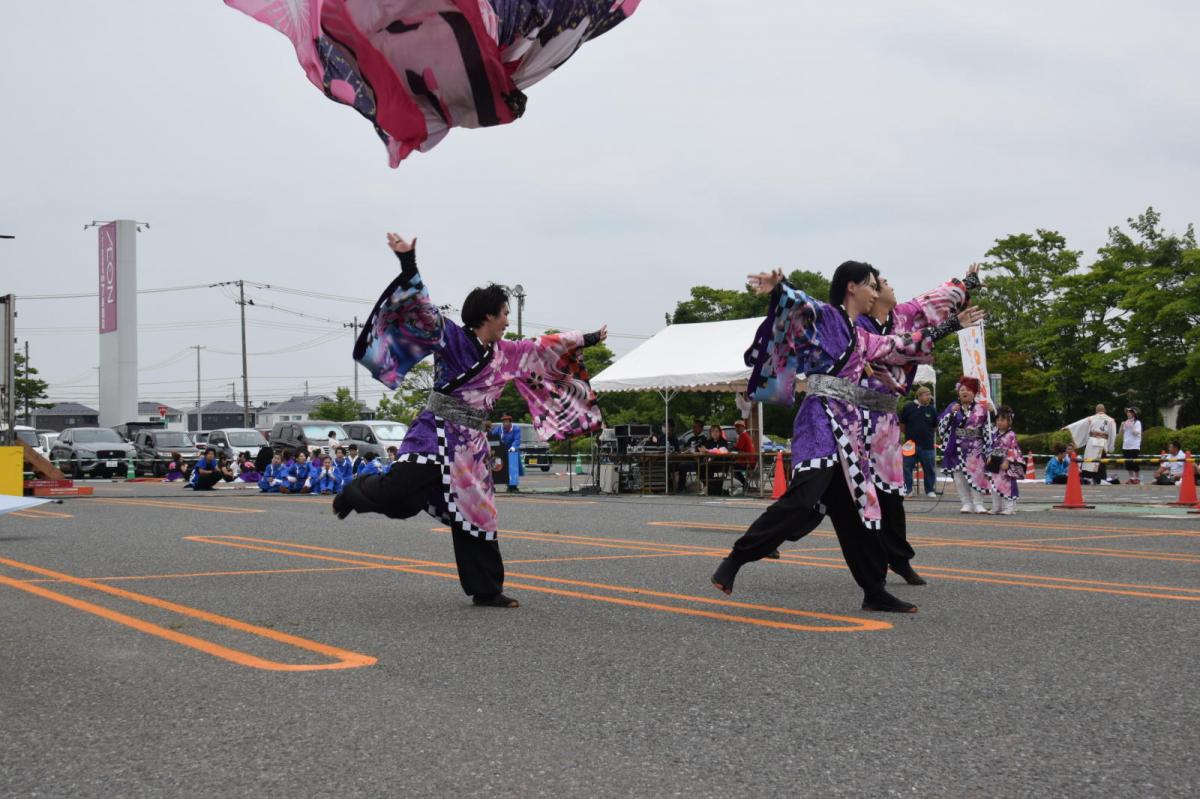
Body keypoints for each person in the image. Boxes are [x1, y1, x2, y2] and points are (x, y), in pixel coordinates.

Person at [335, 231, 605, 608]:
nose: (509, 320)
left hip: (471, 446)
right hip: (436, 431)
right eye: (505, 313)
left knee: (476, 513)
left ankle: (487, 589)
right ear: (488, 315)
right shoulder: (449, 337)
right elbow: (422, 309)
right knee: (401, 494)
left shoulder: (506, 352)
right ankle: (357, 489)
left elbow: (543, 348)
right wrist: (408, 262)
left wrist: (587, 338)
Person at [710, 261, 976, 613]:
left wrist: (950, 325)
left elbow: (899, 345)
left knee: (859, 512)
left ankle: (874, 590)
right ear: (852, 287)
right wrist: (780, 287)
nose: (875, 293)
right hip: (819, 420)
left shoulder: (861, 334)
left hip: (849, 430)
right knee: (803, 499)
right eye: (870, 286)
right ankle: (736, 558)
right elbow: (802, 305)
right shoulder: (829, 316)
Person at [859, 266, 979, 585]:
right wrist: (948, 327)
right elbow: (895, 349)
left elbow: (932, 300)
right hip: (850, 419)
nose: (887, 284)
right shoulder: (858, 326)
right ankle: (761, 544)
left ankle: (898, 558)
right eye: (881, 283)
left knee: (892, 494)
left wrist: (964, 285)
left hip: (883, 422)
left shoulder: (903, 314)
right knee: (824, 496)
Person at [939, 377, 993, 514]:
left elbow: (988, 430)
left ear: (974, 393)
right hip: (956, 448)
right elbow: (941, 427)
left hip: (975, 448)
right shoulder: (953, 407)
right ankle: (966, 503)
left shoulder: (982, 408)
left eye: (968, 390)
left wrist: (989, 450)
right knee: (959, 477)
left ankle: (979, 503)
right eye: (962, 390)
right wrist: (951, 414)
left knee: (977, 475)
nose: (965, 392)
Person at [900, 386, 939, 497]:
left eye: (930, 394)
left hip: (927, 445)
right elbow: (902, 425)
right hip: (910, 444)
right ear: (920, 395)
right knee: (907, 468)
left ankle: (930, 490)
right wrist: (910, 435)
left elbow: (934, 427)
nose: (929, 397)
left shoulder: (932, 409)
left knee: (929, 468)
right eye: (927, 394)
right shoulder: (908, 407)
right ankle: (908, 490)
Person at [1065, 404, 1117, 485]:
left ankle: (1089, 478)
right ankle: (1100, 478)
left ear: (1096, 411)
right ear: (1105, 410)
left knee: (1089, 461)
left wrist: (1068, 427)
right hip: (1102, 443)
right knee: (1101, 462)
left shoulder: (1091, 418)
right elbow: (1113, 435)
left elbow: (1079, 424)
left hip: (1091, 442)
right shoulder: (1111, 420)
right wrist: (1111, 447)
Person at [987, 406, 1023, 515]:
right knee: (994, 484)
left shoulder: (1011, 435)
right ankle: (996, 506)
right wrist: (989, 456)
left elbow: (1013, 449)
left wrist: (1008, 460)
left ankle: (1010, 507)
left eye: (1002, 420)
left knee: (1007, 485)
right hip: (995, 460)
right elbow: (991, 446)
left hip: (1006, 461)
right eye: (998, 420)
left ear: (1009, 421)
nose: (999, 422)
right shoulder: (994, 434)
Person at [492, 414, 523, 493]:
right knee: (497, 467)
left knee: (513, 468)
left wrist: (513, 447)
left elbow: (517, 439)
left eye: (507, 422)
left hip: (512, 451)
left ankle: (512, 486)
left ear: (510, 422)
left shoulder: (516, 428)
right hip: (501, 451)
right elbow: (492, 437)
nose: (505, 423)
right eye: (504, 422)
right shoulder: (499, 429)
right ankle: (493, 485)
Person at [1121, 408, 1143, 485]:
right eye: (1127, 412)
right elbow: (1121, 432)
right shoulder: (1126, 422)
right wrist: (1122, 425)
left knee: (1135, 463)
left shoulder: (1137, 422)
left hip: (1134, 446)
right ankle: (1131, 478)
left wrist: (1132, 426)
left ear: (1133, 414)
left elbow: (1137, 433)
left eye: (1130, 412)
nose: (1128, 413)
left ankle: (1137, 478)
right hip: (1126, 445)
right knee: (1128, 463)